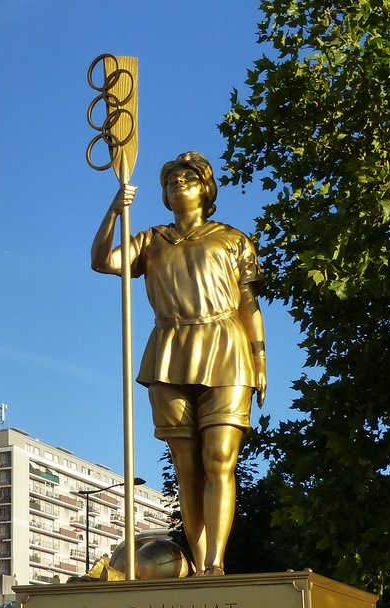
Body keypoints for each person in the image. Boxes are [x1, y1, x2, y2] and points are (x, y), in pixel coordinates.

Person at [91, 151, 266, 576]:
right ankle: (201, 557)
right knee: (186, 465)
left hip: (226, 346)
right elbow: (103, 261)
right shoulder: (150, 239)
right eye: (171, 181)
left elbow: (249, 303)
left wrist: (260, 359)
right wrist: (115, 211)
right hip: (169, 347)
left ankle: (215, 563)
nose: (179, 185)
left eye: (188, 179)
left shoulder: (233, 239)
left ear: (206, 188)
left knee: (220, 457)